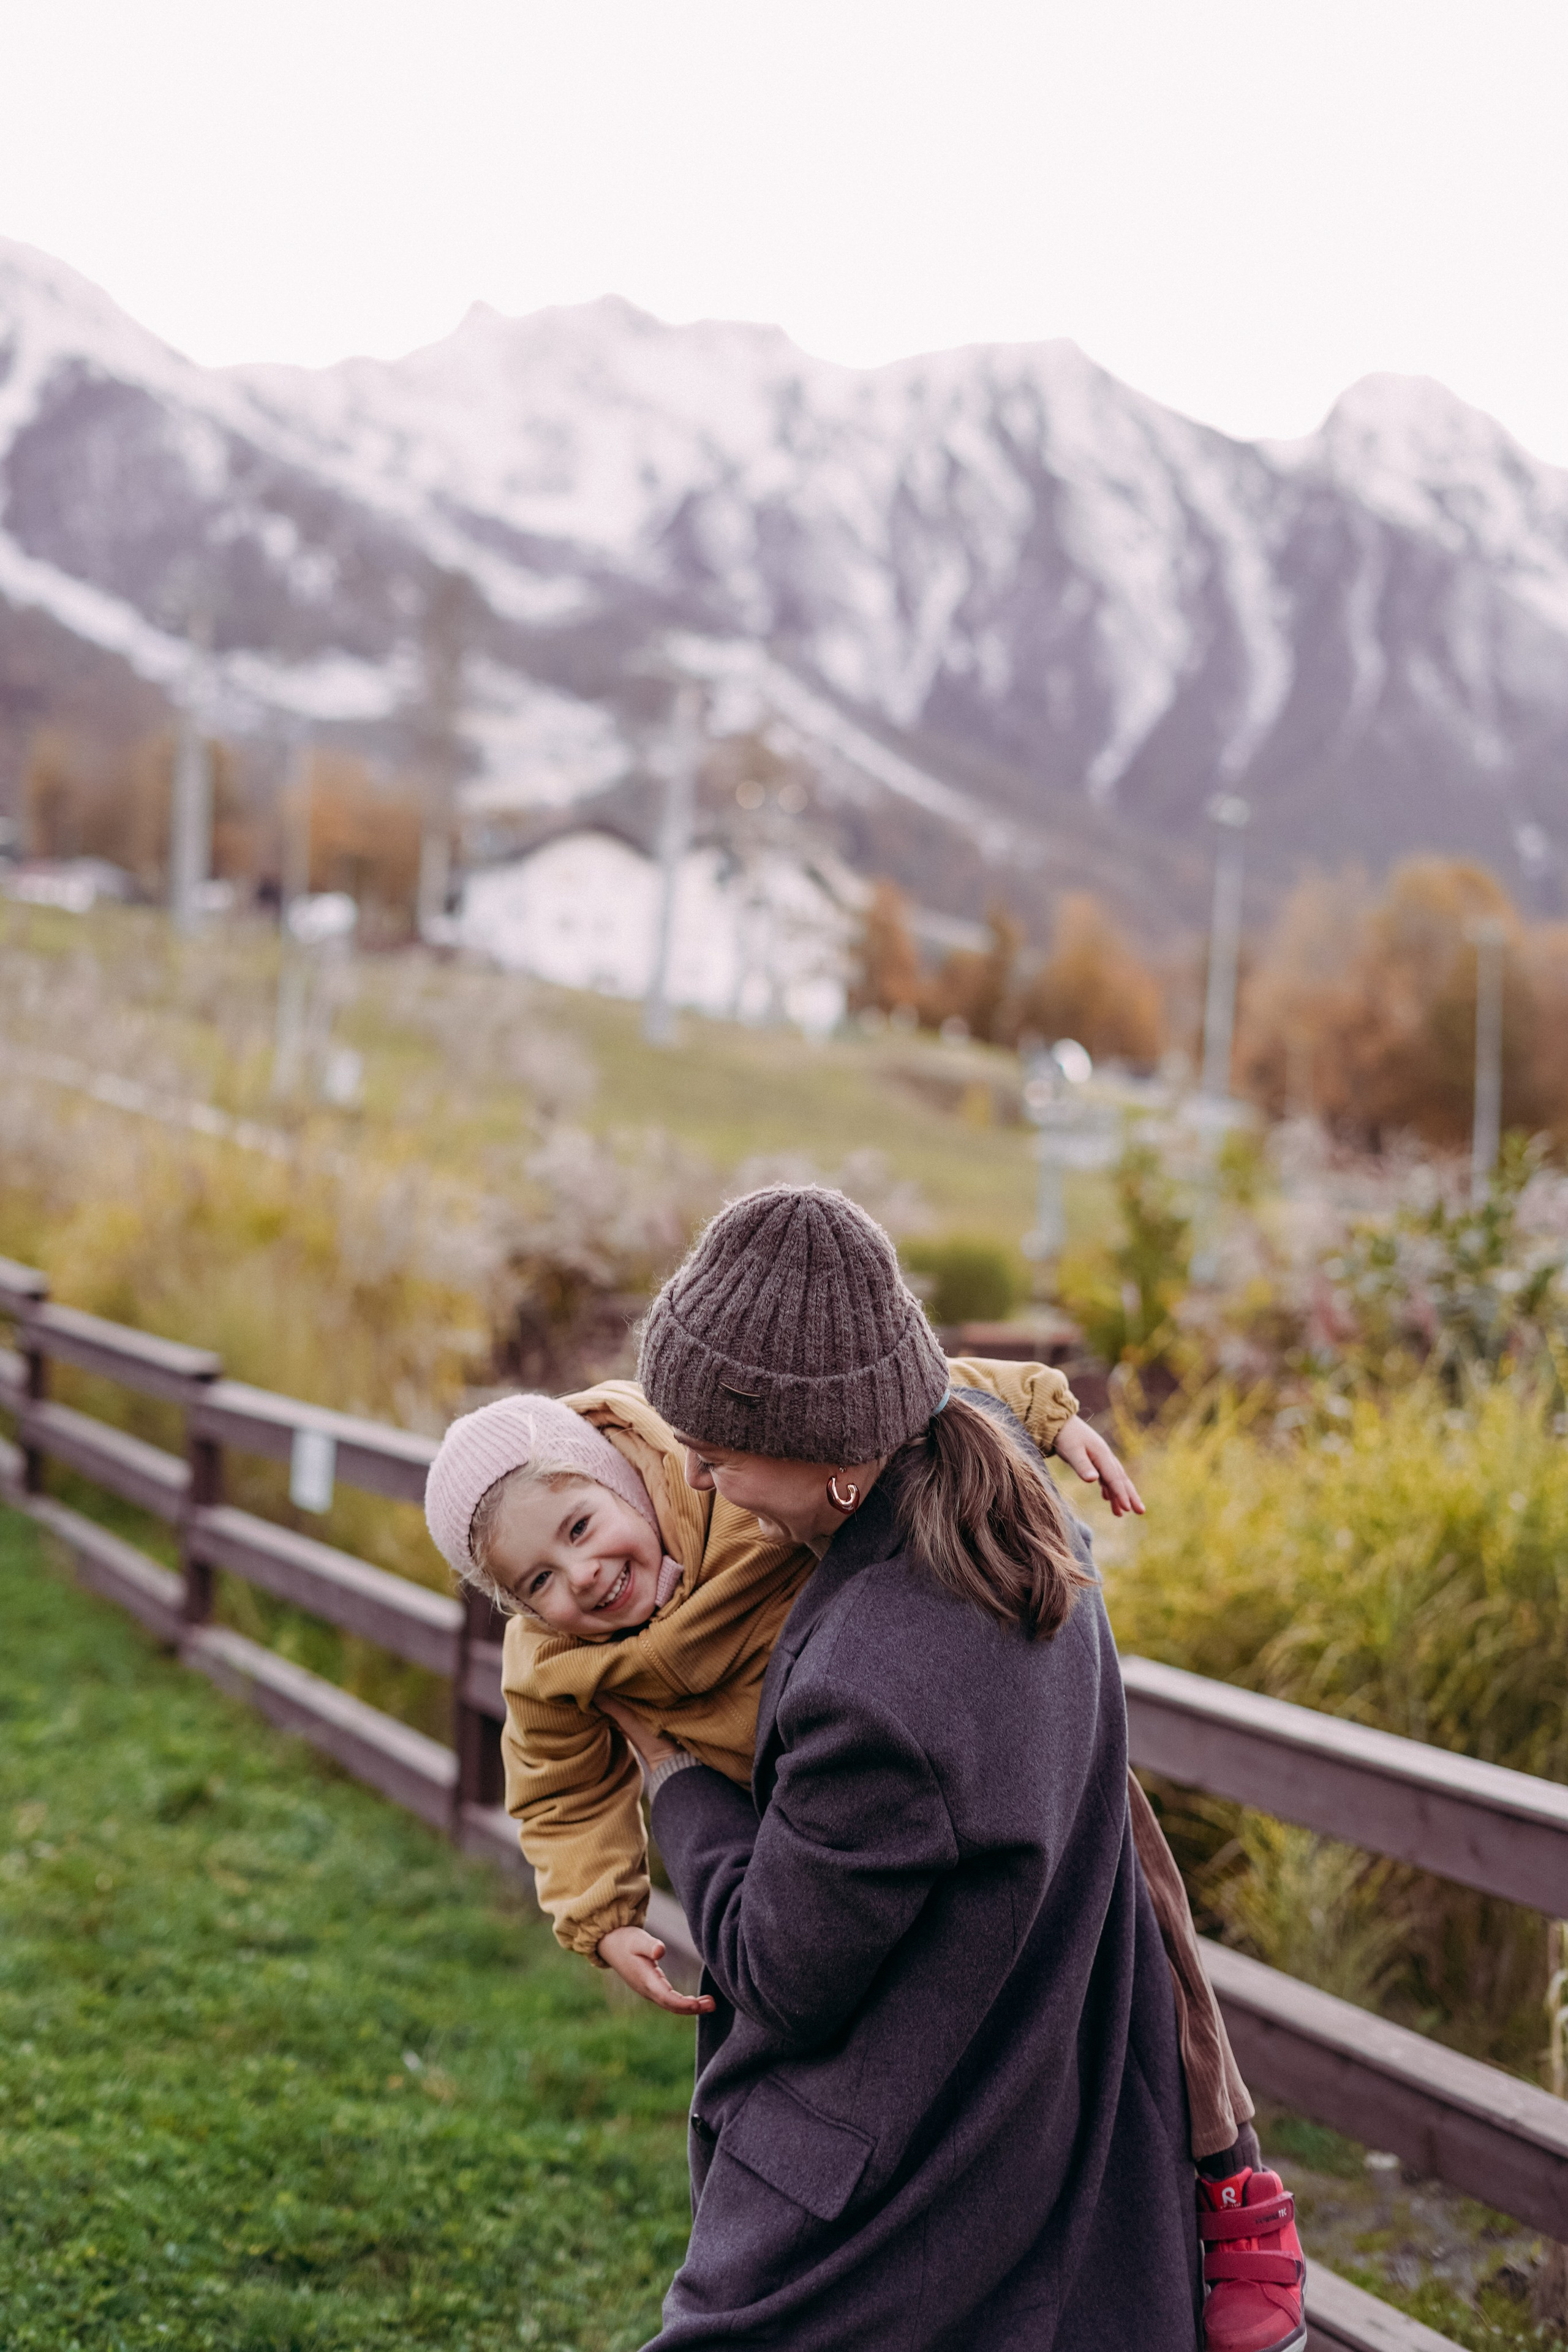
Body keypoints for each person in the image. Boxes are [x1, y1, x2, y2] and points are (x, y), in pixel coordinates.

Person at [617, 1184, 1303, 2351]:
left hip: (885, 2201)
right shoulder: (1019, 1506)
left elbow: (780, 1969)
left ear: (832, 1456)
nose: (693, 1484)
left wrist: (672, 1779)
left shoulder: (875, 1686)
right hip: (1039, 2134)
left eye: (717, 1456)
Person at [421, 1363, 1257, 2195]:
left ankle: (1231, 2170)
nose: (584, 1575)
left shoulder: (720, 1482)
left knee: (1143, 1911)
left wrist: (1044, 1415)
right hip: (807, 1828)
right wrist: (603, 1914)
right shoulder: (557, 1662)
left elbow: (901, 1385)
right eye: (538, 1583)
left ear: (621, 1481)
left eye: (579, 1528)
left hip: (922, 1737)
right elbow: (557, 1788)